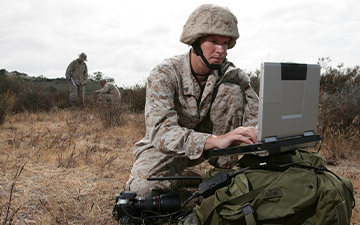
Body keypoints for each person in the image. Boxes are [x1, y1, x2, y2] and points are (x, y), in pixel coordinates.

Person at [126, 4, 259, 197]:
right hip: (166, 150)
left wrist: (270, 137)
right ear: (195, 43)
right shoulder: (164, 74)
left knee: (232, 91)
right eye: (213, 41)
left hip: (216, 149)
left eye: (226, 43)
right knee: (141, 192)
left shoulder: (231, 74)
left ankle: (222, 174)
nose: (221, 50)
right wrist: (214, 140)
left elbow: (256, 115)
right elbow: (162, 131)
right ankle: (180, 175)